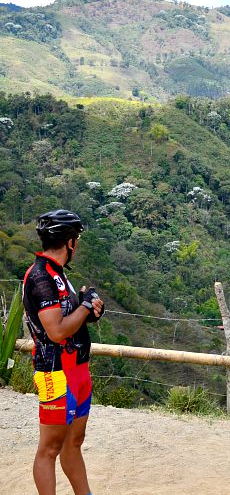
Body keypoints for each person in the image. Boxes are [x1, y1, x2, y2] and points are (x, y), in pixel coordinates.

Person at [22, 210, 104, 495]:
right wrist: (84, 306)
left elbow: (69, 320)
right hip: (55, 373)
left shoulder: (58, 275)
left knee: (74, 443)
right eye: (77, 238)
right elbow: (56, 331)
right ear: (71, 242)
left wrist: (89, 311)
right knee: (50, 448)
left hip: (78, 369)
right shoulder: (41, 276)